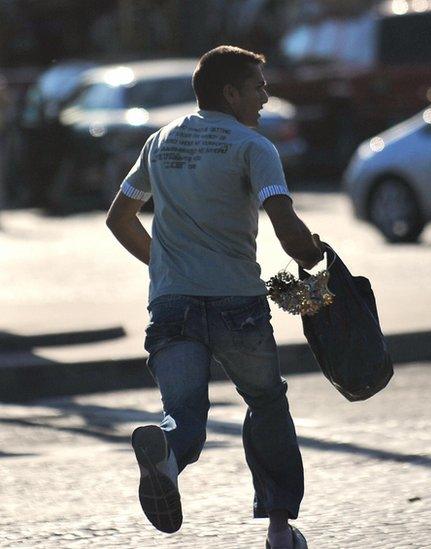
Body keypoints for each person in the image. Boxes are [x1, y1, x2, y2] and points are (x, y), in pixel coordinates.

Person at [106, 45, 322, 549]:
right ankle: (278, 529)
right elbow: (283, 221)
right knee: (266, 403)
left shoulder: (159, 143)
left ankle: (168, 458)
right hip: (236, 305)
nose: (266, 96)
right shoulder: (253, 147)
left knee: (183, 414)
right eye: (257, 87)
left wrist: (165, 264)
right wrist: (312, 259)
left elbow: (120, 217)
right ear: (230, 93)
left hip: (172, 304)